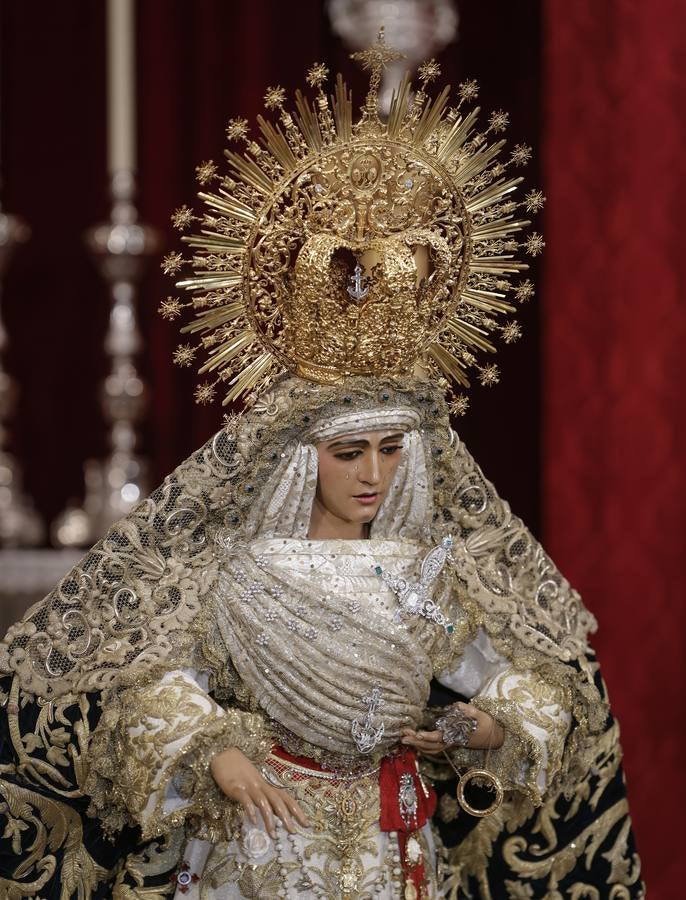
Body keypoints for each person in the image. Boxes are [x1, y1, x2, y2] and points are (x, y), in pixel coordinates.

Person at [0, 33, 643, 900]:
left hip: (397, 847)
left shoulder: (430, 574)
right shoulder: (234, 572)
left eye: (390, 451)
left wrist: (490, 724)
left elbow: (526, 682)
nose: (372, 475)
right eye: (349, 453)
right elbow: (156, 684)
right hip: (263, 850)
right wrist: (221, 754)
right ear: (302, 461)